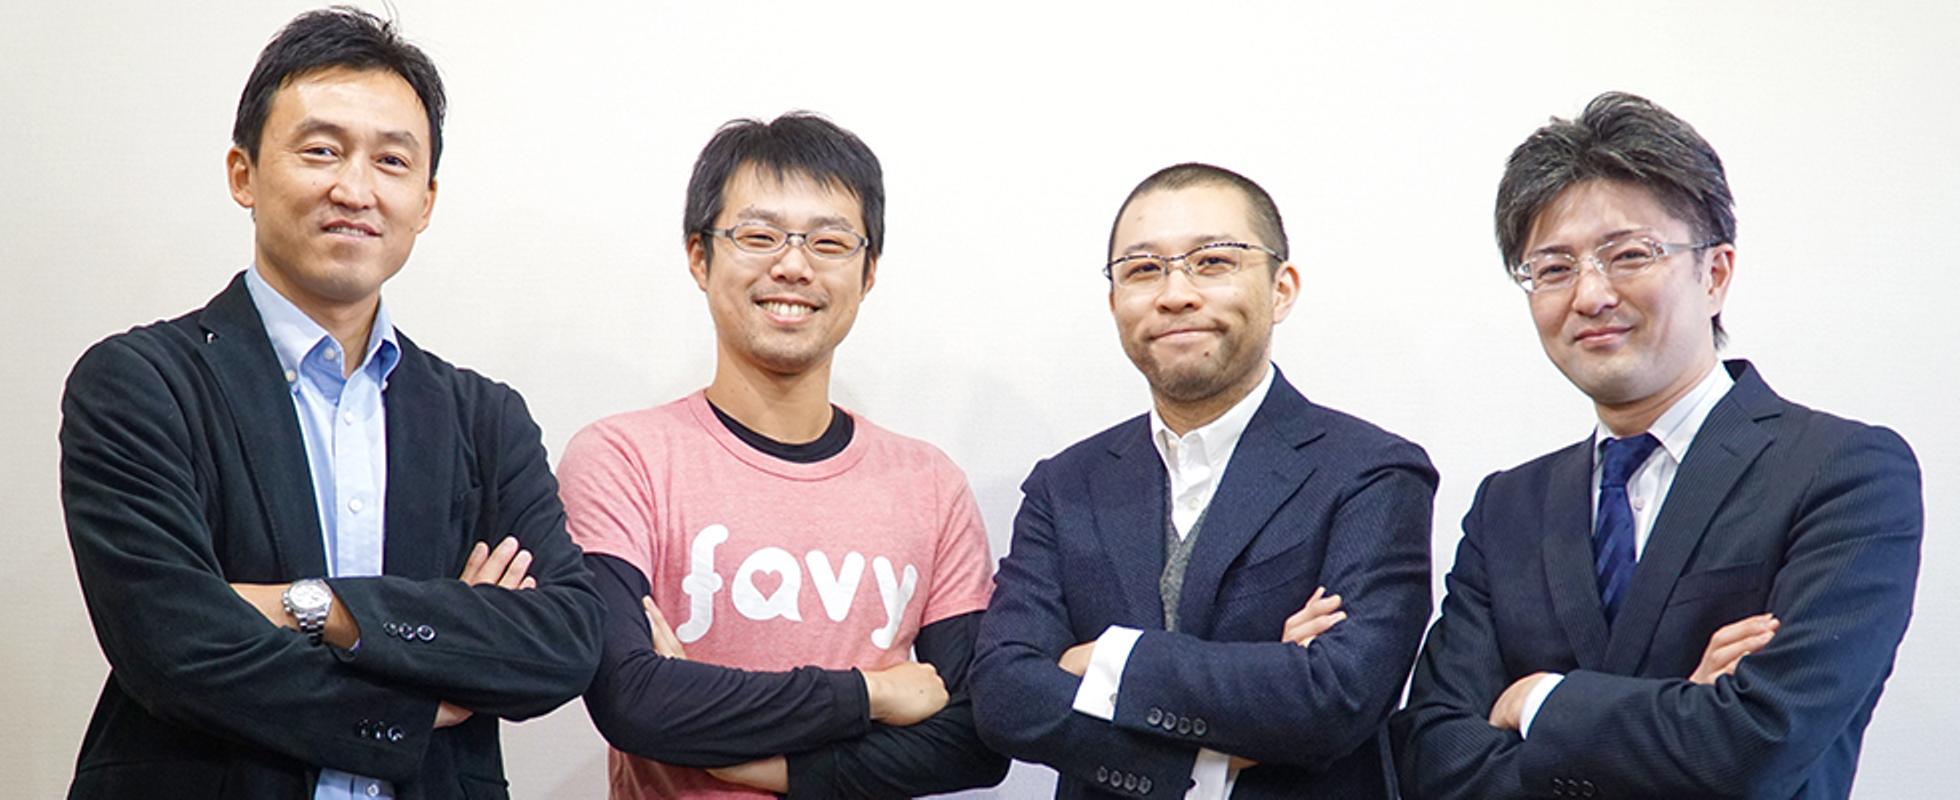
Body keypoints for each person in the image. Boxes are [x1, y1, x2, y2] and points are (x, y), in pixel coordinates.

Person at [58, 8, 604, 800]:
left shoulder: (485, 419)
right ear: (243, 174)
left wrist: (310, 608)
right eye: (321, 150)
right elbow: (170, 642)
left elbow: (562, 642)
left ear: (426, 200)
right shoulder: (140, 383)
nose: (355, 189)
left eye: (392, 161)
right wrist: (433, 668)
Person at [1392, 92, 1923, 799]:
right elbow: (1432, 757)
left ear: (1715, 274)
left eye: (1629, 255)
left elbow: (1758, 744)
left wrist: (1540, 700)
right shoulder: (1508, 507)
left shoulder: (1842, 473)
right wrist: (1683, 714)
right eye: (1553, 268)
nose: (1590, 295)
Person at [558, 112, 1008, 798]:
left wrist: (771, 766)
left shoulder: (931, 484)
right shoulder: (622, 460)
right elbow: (634, 699)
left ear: (869, 272)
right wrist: (873, 694)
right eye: (759, 236)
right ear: (699, 256)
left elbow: (977, 738)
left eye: (829, 242)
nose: (793, 266)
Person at [971, 162, 1438, 798]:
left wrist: (1104, 659)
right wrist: (1216, 740)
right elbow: (1004, 693)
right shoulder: (1065, 486)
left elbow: (1335, 697)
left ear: (1281, 289)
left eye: (1213, 262)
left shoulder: (1372, 472)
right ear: (1114, 302)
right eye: (1143, 269)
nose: (1175, 294)